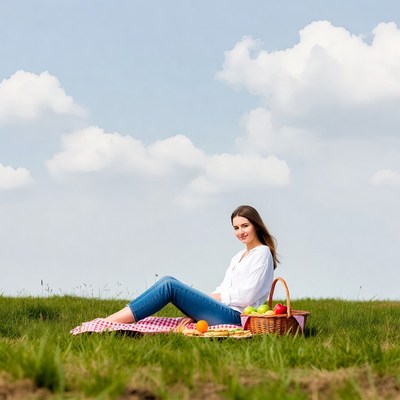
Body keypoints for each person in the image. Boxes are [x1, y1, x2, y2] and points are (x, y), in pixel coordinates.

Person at [104, 205, 279, 326]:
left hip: (236, 316)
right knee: (167, 280)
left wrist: (208, 300)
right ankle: (111, 320)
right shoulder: (239, 256)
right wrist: (202, 306)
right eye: (236, 228)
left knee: (169, 286)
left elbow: (247, 296)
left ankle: (107, 323)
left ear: (256, 226)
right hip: (223, 310)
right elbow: (224, 287)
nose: (240, 232)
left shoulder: (262, 253)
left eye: (245, 226)